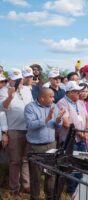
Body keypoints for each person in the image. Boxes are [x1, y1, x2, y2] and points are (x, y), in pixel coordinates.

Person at [24, 88, 65, 200]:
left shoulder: (54, 106)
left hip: (51, 145)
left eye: (53, 96)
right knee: (36, 176)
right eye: (51, 97)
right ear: (42, 97)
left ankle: (50, 197)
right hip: (35, 147)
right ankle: (35, 197)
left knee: (50, 174)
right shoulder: (30, 107)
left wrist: (58, 120)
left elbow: (58, 125)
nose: (53, 99)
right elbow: (31, 125)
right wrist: (46, 119)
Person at [0, 68, 32, 196]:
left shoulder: (27, 90)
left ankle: (26, 185)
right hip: (14, 130)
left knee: (25, 159)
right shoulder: (3, 91)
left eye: (20, 80)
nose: (19, 82)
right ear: (10, 80)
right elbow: (2, 108)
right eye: (16, 80)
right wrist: (10, 96)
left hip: (28, 129)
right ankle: (14, 188)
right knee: (14, 161)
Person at [79, 83, 88, 151]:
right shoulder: (76, 102)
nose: (85, 93)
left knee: (87, 148)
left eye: (86, 91)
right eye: (83, 91)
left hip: (87, 128)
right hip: (79, 129)